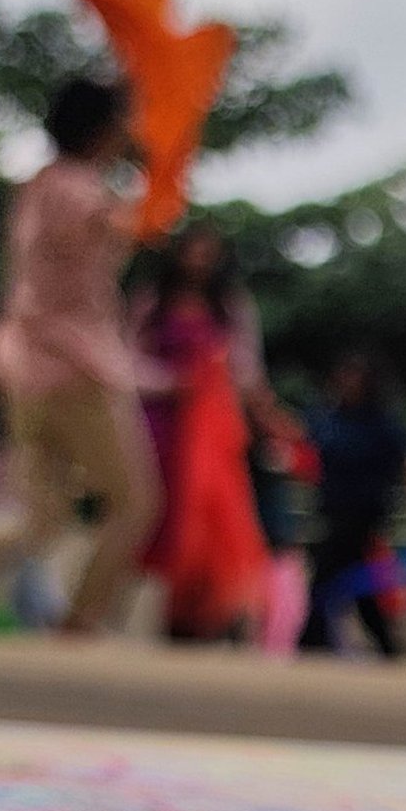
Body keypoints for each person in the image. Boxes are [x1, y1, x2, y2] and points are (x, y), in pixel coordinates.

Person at [0, 76, 159, 636]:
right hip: (78, 367)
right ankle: (80, 621)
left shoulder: (35, 188)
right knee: (133, 504)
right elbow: (123, 232)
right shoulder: (84, 193)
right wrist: (157, 183)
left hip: (27, 367)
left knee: (42, 519)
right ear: (101, 129)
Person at [130, 222, 280, 642]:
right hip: (161, 424)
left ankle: (205, 617)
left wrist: (264, 412)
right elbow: (128, 360)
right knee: (157, 514)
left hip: (214, 430)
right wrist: (169, 382)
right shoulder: (152, 301)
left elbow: (248, 372)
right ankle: (158, 615)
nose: (199, 261)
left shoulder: (231, 307)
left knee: (214, 522)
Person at [299, 353, 406, 657]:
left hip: (363, 516)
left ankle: (311, 641)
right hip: (334, 513)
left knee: (334, 581)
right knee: (358, 587)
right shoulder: (329, 418)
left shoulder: (382, 425)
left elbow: (397, 465)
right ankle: (384, 646)